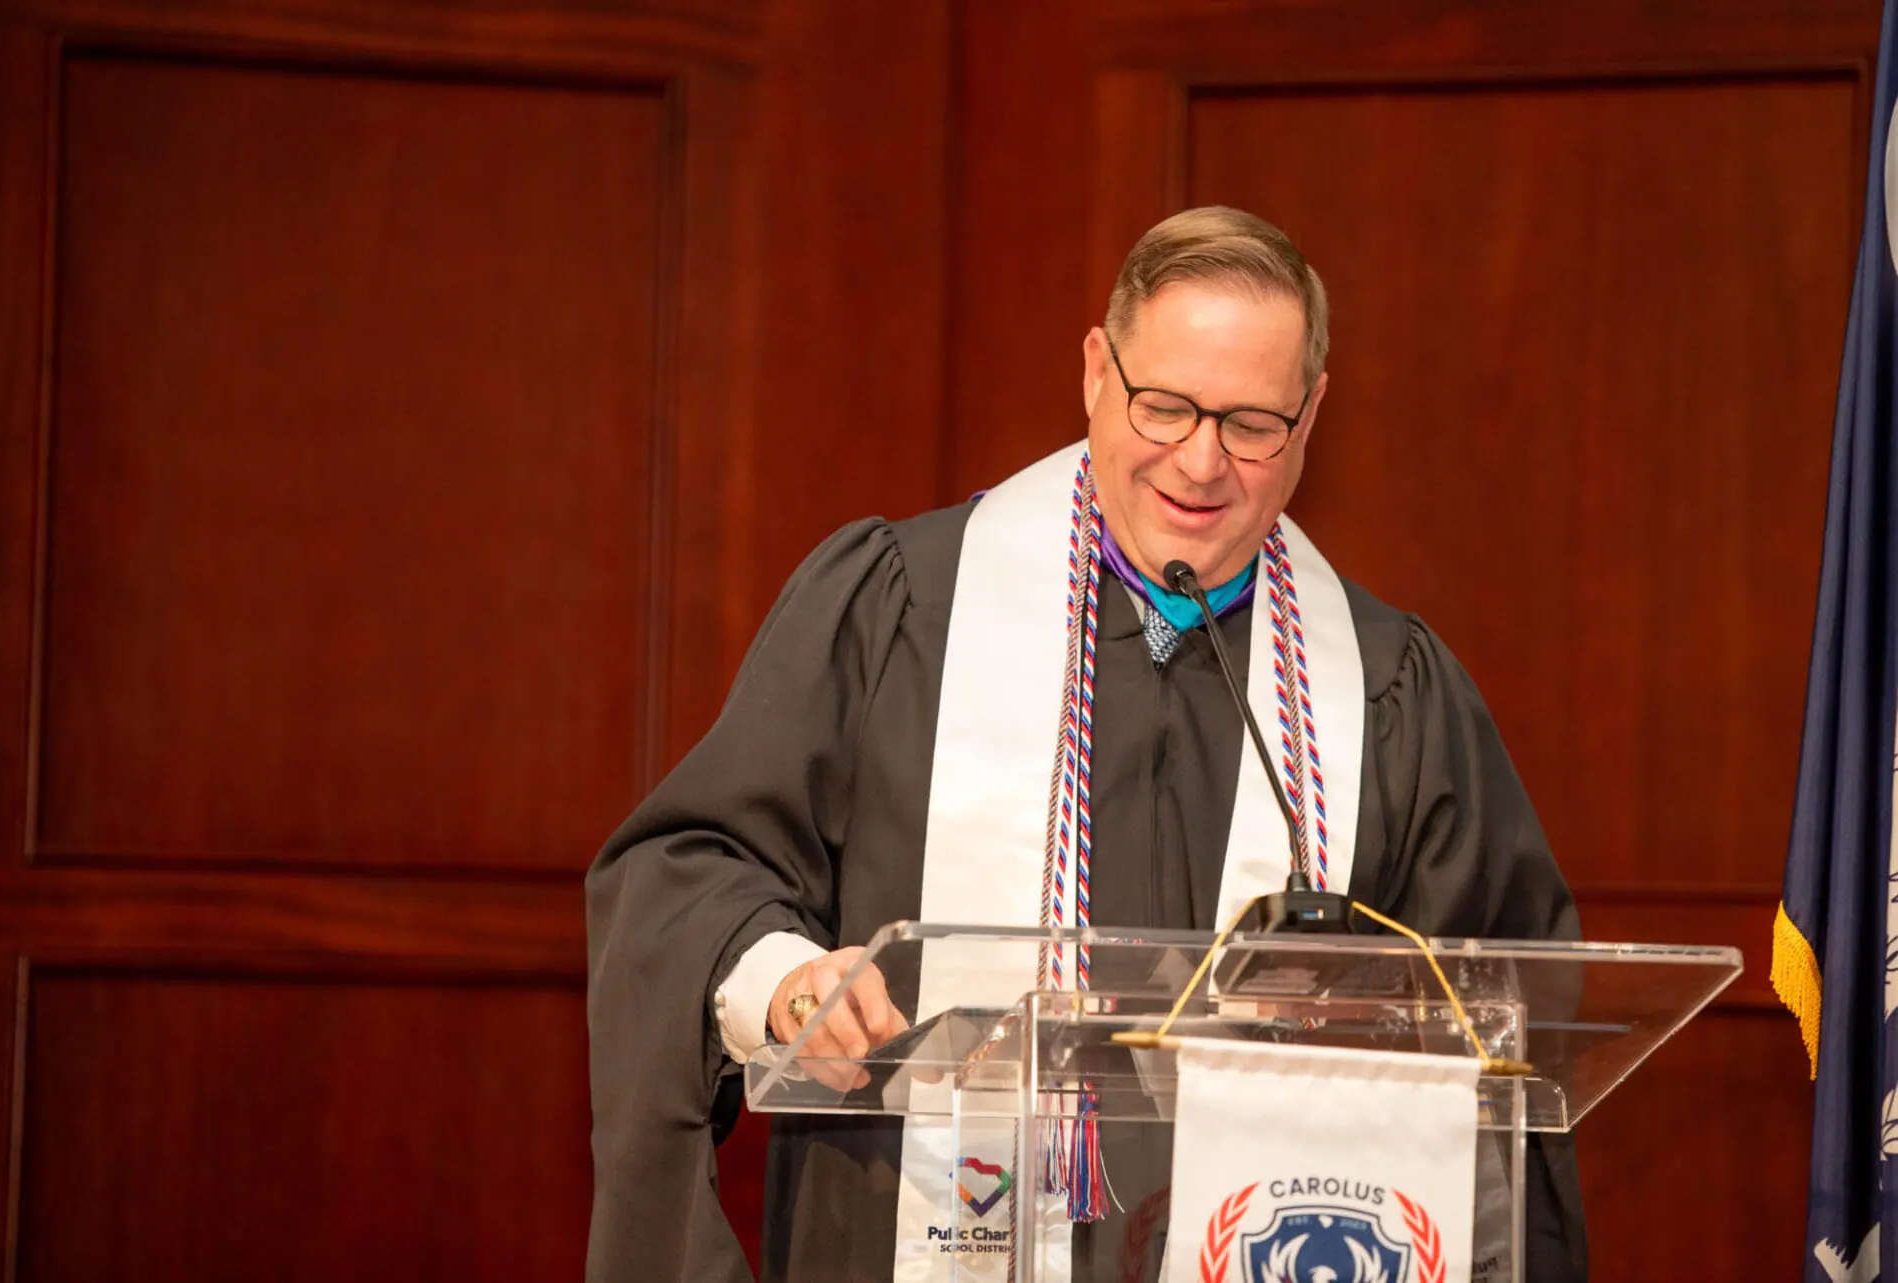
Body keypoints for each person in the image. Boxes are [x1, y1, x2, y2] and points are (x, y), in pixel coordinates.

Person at [585, 205, 1586, 1283]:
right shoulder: (905, 608)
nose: (1202, 462)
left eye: (1253, 424)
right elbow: (685, 870)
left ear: (1313, 415)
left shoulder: (1386, 689)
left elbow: (1509, 1020)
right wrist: (784, 982)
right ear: (1098, 372)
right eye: (1165, 406)